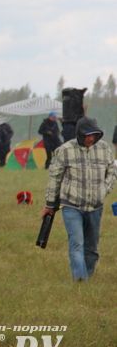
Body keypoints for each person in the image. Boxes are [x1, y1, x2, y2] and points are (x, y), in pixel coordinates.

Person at [42, 117, 116, 281]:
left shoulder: (105, 149)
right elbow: (55, 178)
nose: (91, 138)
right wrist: (49, 204)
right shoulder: (65, 150)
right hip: (71, 206)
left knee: (92, 248)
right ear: (80, 135)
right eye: (87, 135)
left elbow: (112, 171)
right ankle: (80, 280)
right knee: (77, 244)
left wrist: (105, 189)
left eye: (94, 135)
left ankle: (87, 275)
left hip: (95, 206)